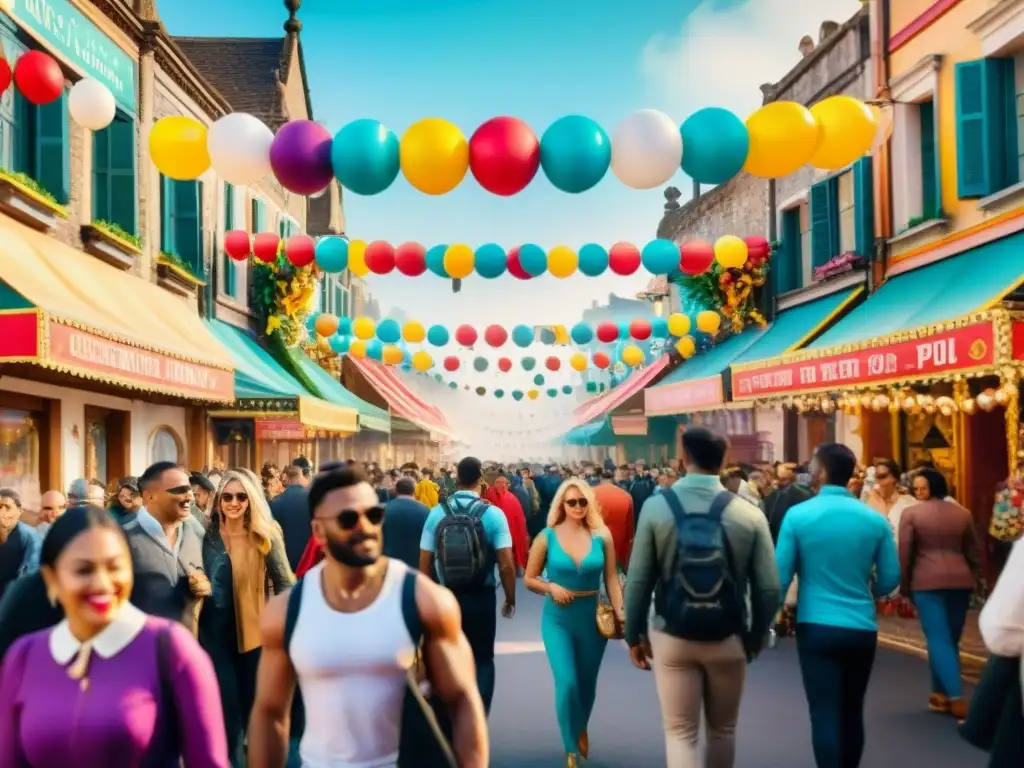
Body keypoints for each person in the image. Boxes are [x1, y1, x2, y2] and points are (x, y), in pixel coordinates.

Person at [247, 465, 489, 768]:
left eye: (373, 515)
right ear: (318, 531)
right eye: (348, 519)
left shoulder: (425, 599)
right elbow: (270, 712)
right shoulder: (286, 611)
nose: (365, 526)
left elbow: (462, 700)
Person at [0, 505, 229, 767]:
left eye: (114, 567)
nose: (102, 583)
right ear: (52, 578)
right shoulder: (25, 656)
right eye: (83, 570)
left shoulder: (171, 647)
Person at [625, 427, 779, 768]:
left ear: (683, 459)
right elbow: (769, 588)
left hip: (671, 633)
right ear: (724, 461)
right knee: (723, 730)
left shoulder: (655, 507)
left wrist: (633, 633)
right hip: (729, 634)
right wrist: (754, 637)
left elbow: (638, 581)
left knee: (680, 732)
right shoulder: (749, 512)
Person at [776, 443, 900, 768]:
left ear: (819, 473)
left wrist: (770, 614)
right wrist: (864, 587)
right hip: (861, 626)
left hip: (815, 625)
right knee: (851, 710)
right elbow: (889, 579)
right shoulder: (874, 520)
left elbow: (778, 577)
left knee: (824, 712)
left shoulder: (798, 516)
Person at [524, 479, 623, 766]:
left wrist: (621, 612)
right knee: (566, 682)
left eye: (583, 501)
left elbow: (612, 579)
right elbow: (530, 578)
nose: (578, 506)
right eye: (572, 502)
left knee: (586, 683)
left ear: (589, 503)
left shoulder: (601, 536)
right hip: (557, 620)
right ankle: (570, 747)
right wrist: (551, 587)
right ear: (562, 505)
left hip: (592, 620)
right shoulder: (547, 536)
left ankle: (580, 726)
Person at [201, 470, 294, 764]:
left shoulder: (266, 532)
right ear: (218, 501)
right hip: (215, 632)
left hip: (255, 633)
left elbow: (285, 582)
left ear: (251, 499)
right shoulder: (206, 533)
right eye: (227, 496)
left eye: (242, 496)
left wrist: (279, 626)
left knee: (257, 709)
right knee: (227, 711)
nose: (234, 503)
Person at [419, 457, 516, 714]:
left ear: (456, 479)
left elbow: (424, 562)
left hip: (445, 598)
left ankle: (447, 721)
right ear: (481, 481)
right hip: (481, 597)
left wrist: (426, 601)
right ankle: (478, 718)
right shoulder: (494, 515)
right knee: (483, 659)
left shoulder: (437, 513)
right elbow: (506, 564)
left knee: (444, 657)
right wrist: (510, 598)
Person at [900, 468, 981, 720]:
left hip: (926, 580)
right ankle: (939, 694)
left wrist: (904, 586)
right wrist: (976, 578)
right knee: (950, 639)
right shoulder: (963, 513)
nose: (917, 492)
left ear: (929, 488)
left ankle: (956, 697)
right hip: (961, 580)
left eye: (920, 488)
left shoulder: (911, 513)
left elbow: (905, 553)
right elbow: (973, 551)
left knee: (937, 638)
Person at [124, 462, 211, 634]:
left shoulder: (197, 532)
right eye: (179, 490)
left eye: (189, 490)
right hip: (143, 652)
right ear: (149, 496)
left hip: (188, 652)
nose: (190, 497)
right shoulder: (122, 541)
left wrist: (206, 586)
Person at [0, 488, 41, 601]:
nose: (2, 512)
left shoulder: (29, 536)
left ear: (19, 511)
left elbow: (30, 571)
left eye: (7, 507)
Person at [271, 465, 314, 572]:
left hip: (285, 559)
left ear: (287, 478)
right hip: (309, 558)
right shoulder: (312, 499)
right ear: (301, 477)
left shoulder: (276, 501)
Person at [484, 474, 530, 574]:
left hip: (495, 535)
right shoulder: (512, 498)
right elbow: (521, 519)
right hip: (510, 534)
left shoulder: (488, 496)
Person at [383, 477, 431, 569]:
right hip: (416, 565)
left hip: (390, 566)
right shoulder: (426, 511)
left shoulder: (385, 510)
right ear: (414, 490)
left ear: (396, 490)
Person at [592, 469, 634, 572]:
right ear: (613, 479)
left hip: (594, 544)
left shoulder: (590, 493)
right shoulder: (626, 496)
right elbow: (630, 530)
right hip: (617, 546)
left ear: (600, 479)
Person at [763, 463, 810, 544]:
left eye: (783, 479)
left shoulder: (802, 495)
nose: (779, 482)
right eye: (778, 478)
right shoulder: (772, 495)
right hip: (774, 538)